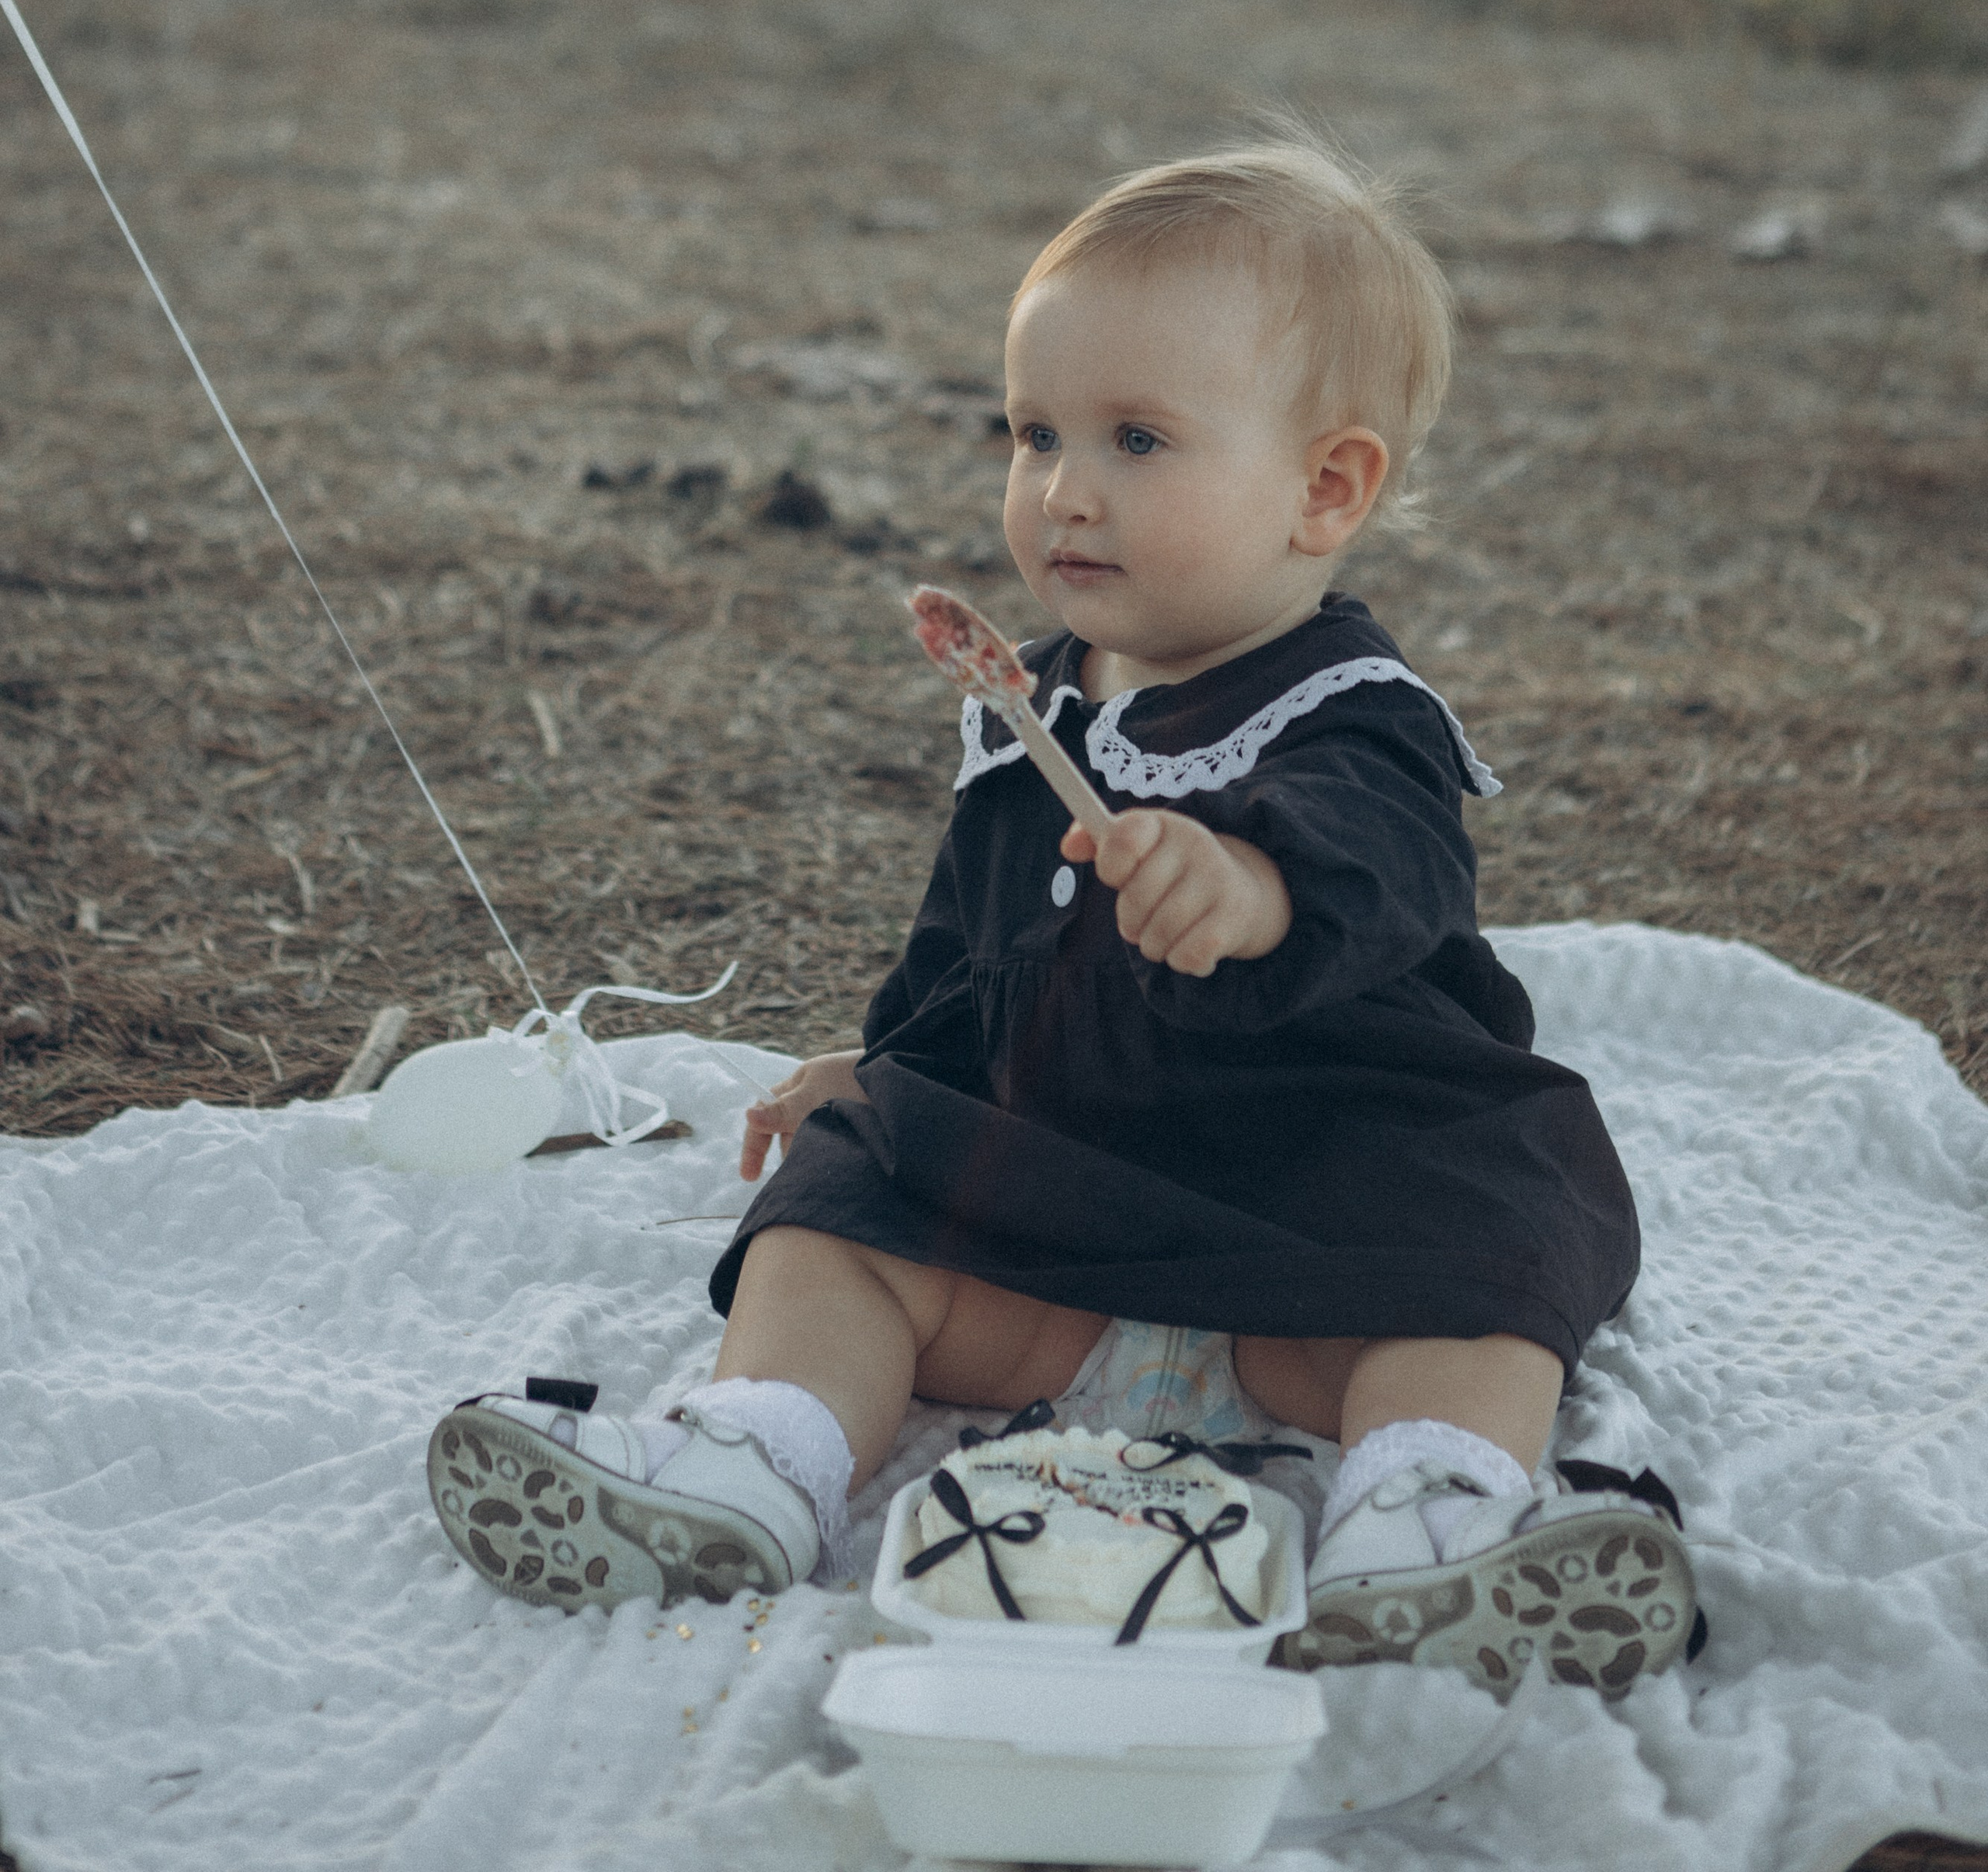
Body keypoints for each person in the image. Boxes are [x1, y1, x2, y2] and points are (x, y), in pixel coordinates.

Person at [428, 137, 1698, 1696]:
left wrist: (1249, 886)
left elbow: (1384, 870)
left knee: (1498, 1235)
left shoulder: (1352, 711)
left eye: (1138, 440)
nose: (1063, 490)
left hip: (1324, 1238)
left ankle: (1429, 1520)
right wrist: (882, 1067)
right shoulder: (1028, 702)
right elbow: (970, 945)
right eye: (1032, 432)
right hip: (1050, 1238)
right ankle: (752, 1461)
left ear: (1324, 488)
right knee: (837, 1210)